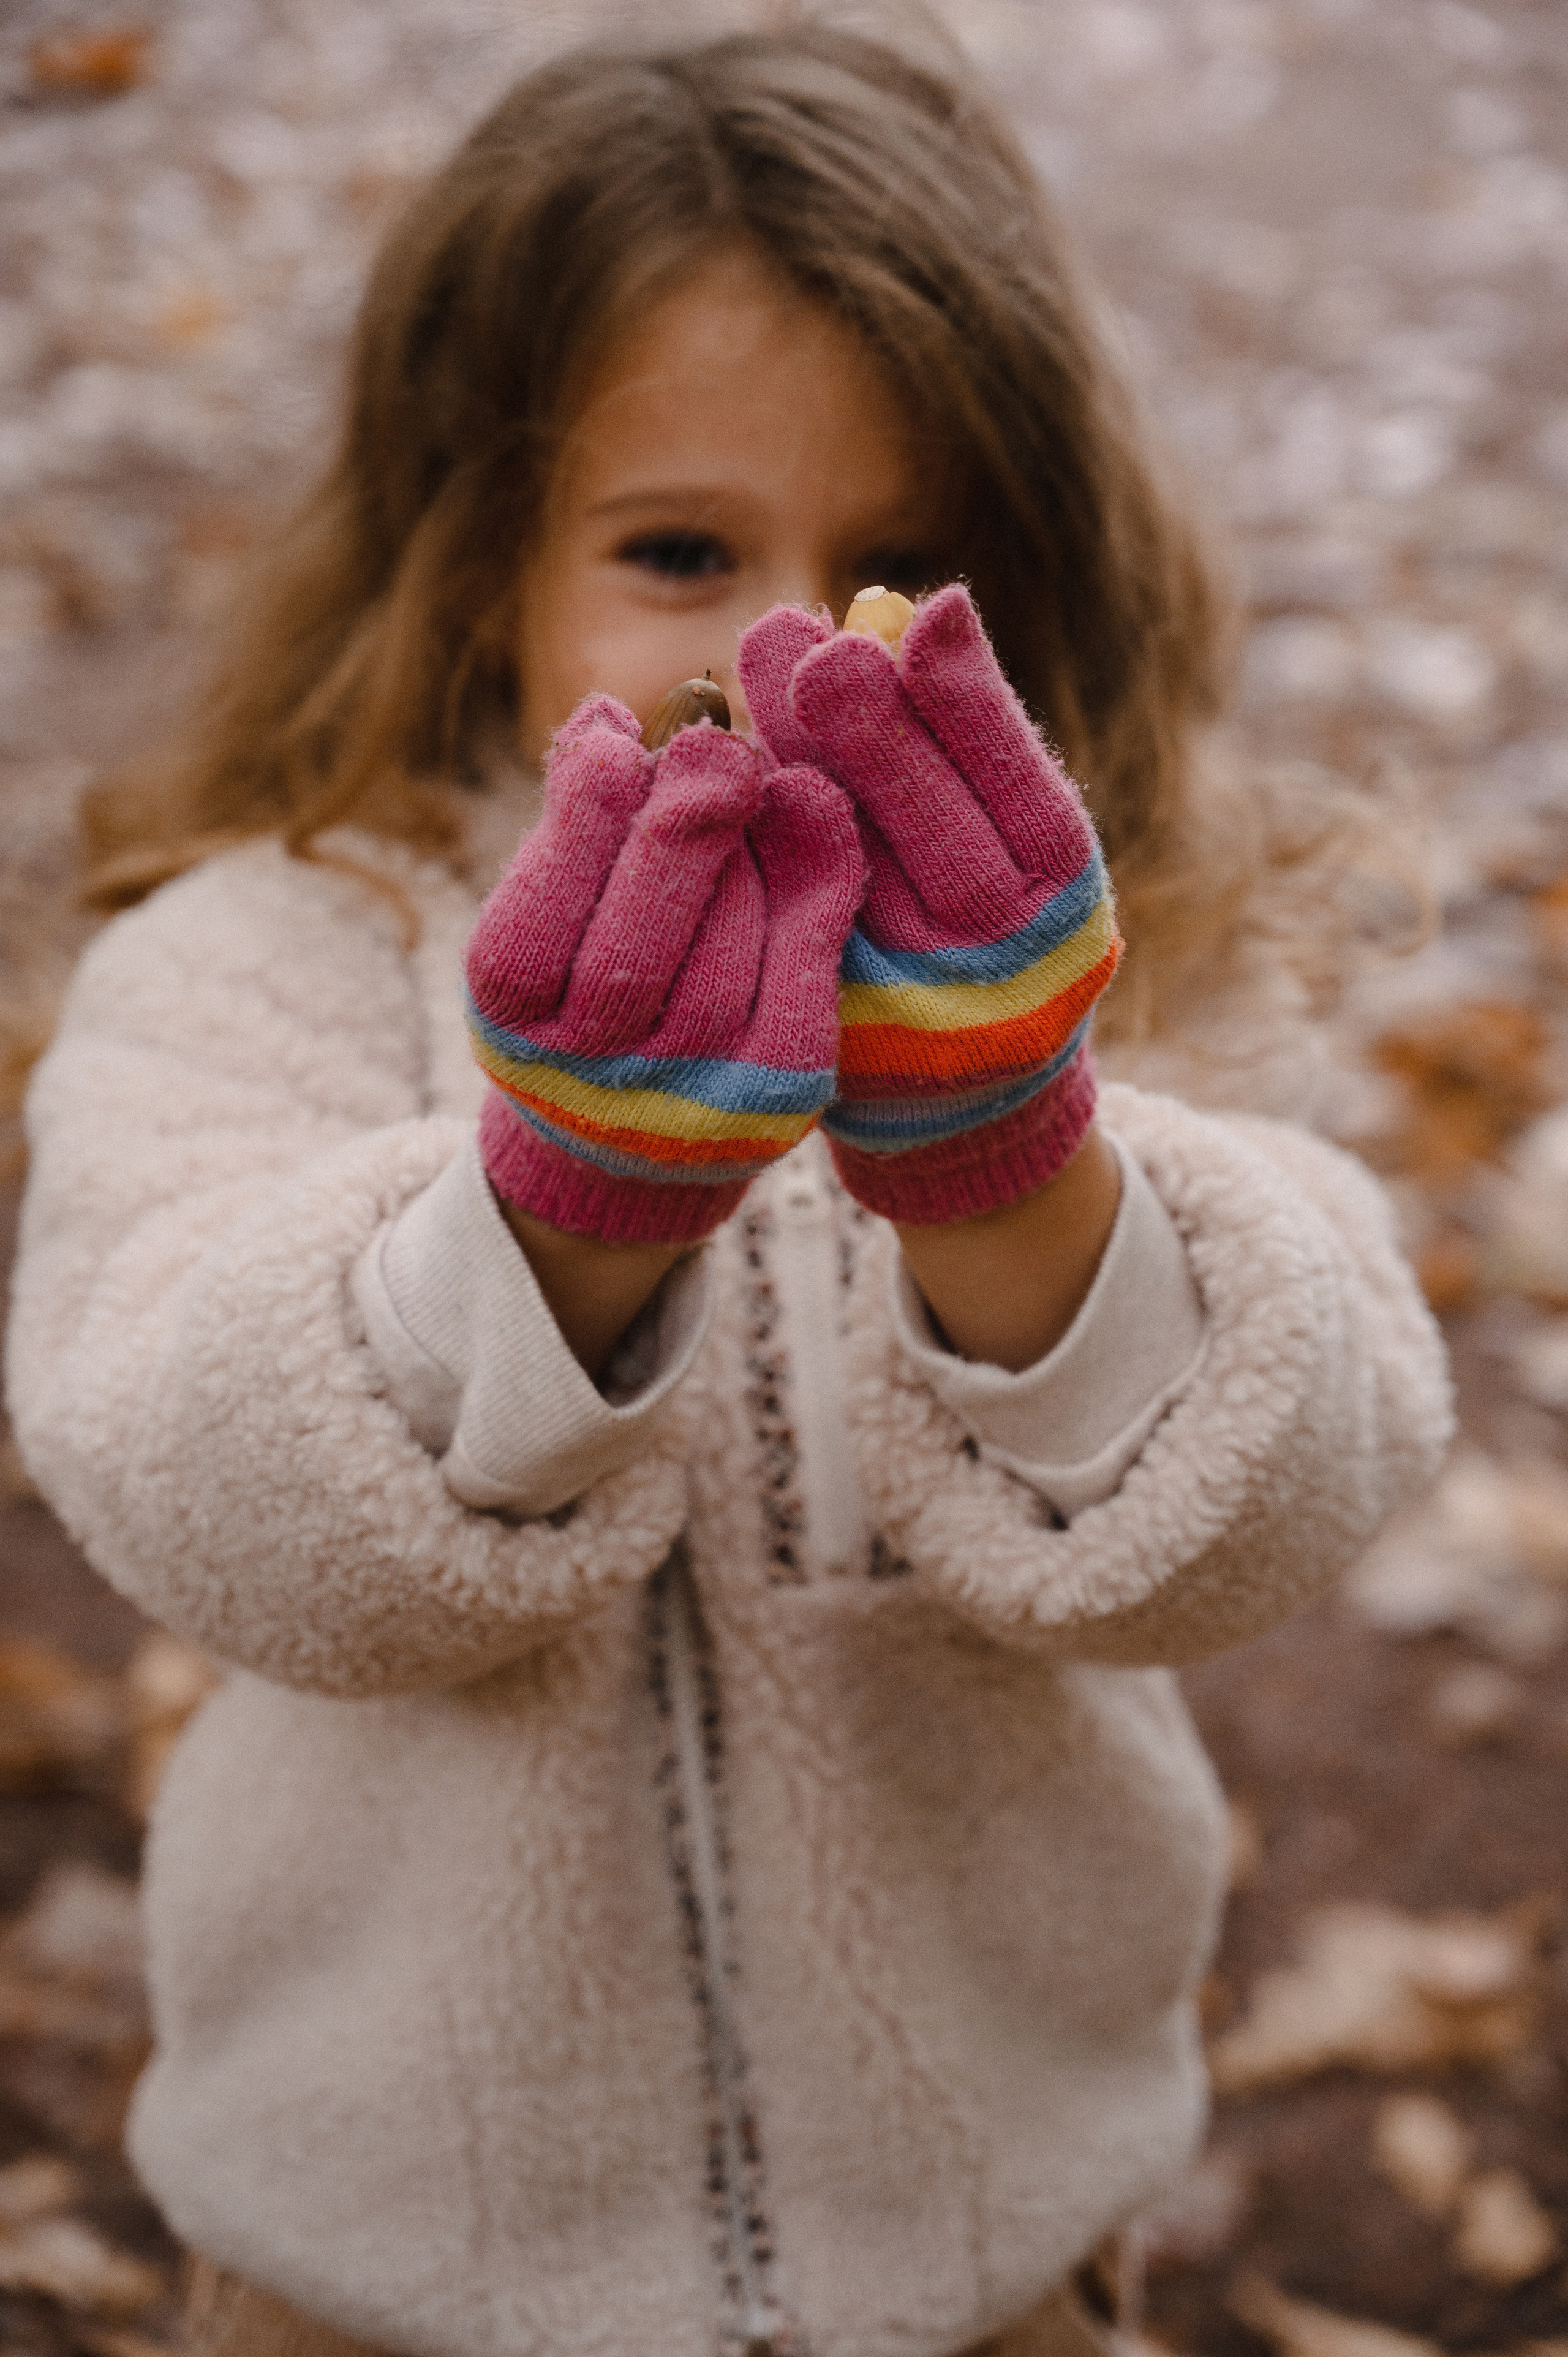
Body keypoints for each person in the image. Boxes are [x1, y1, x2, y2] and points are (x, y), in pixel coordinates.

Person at [6, 17, 1450, 2357]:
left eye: (898, 566)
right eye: (680, 549)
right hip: (384, 2276)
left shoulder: (1085, 947)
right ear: (480, 561)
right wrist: (562, 1211)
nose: (787, 653)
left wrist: (1013, 1167)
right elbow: (179, 1475)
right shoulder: (265, 951)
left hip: (981, 2260)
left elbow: (1288, 1491)